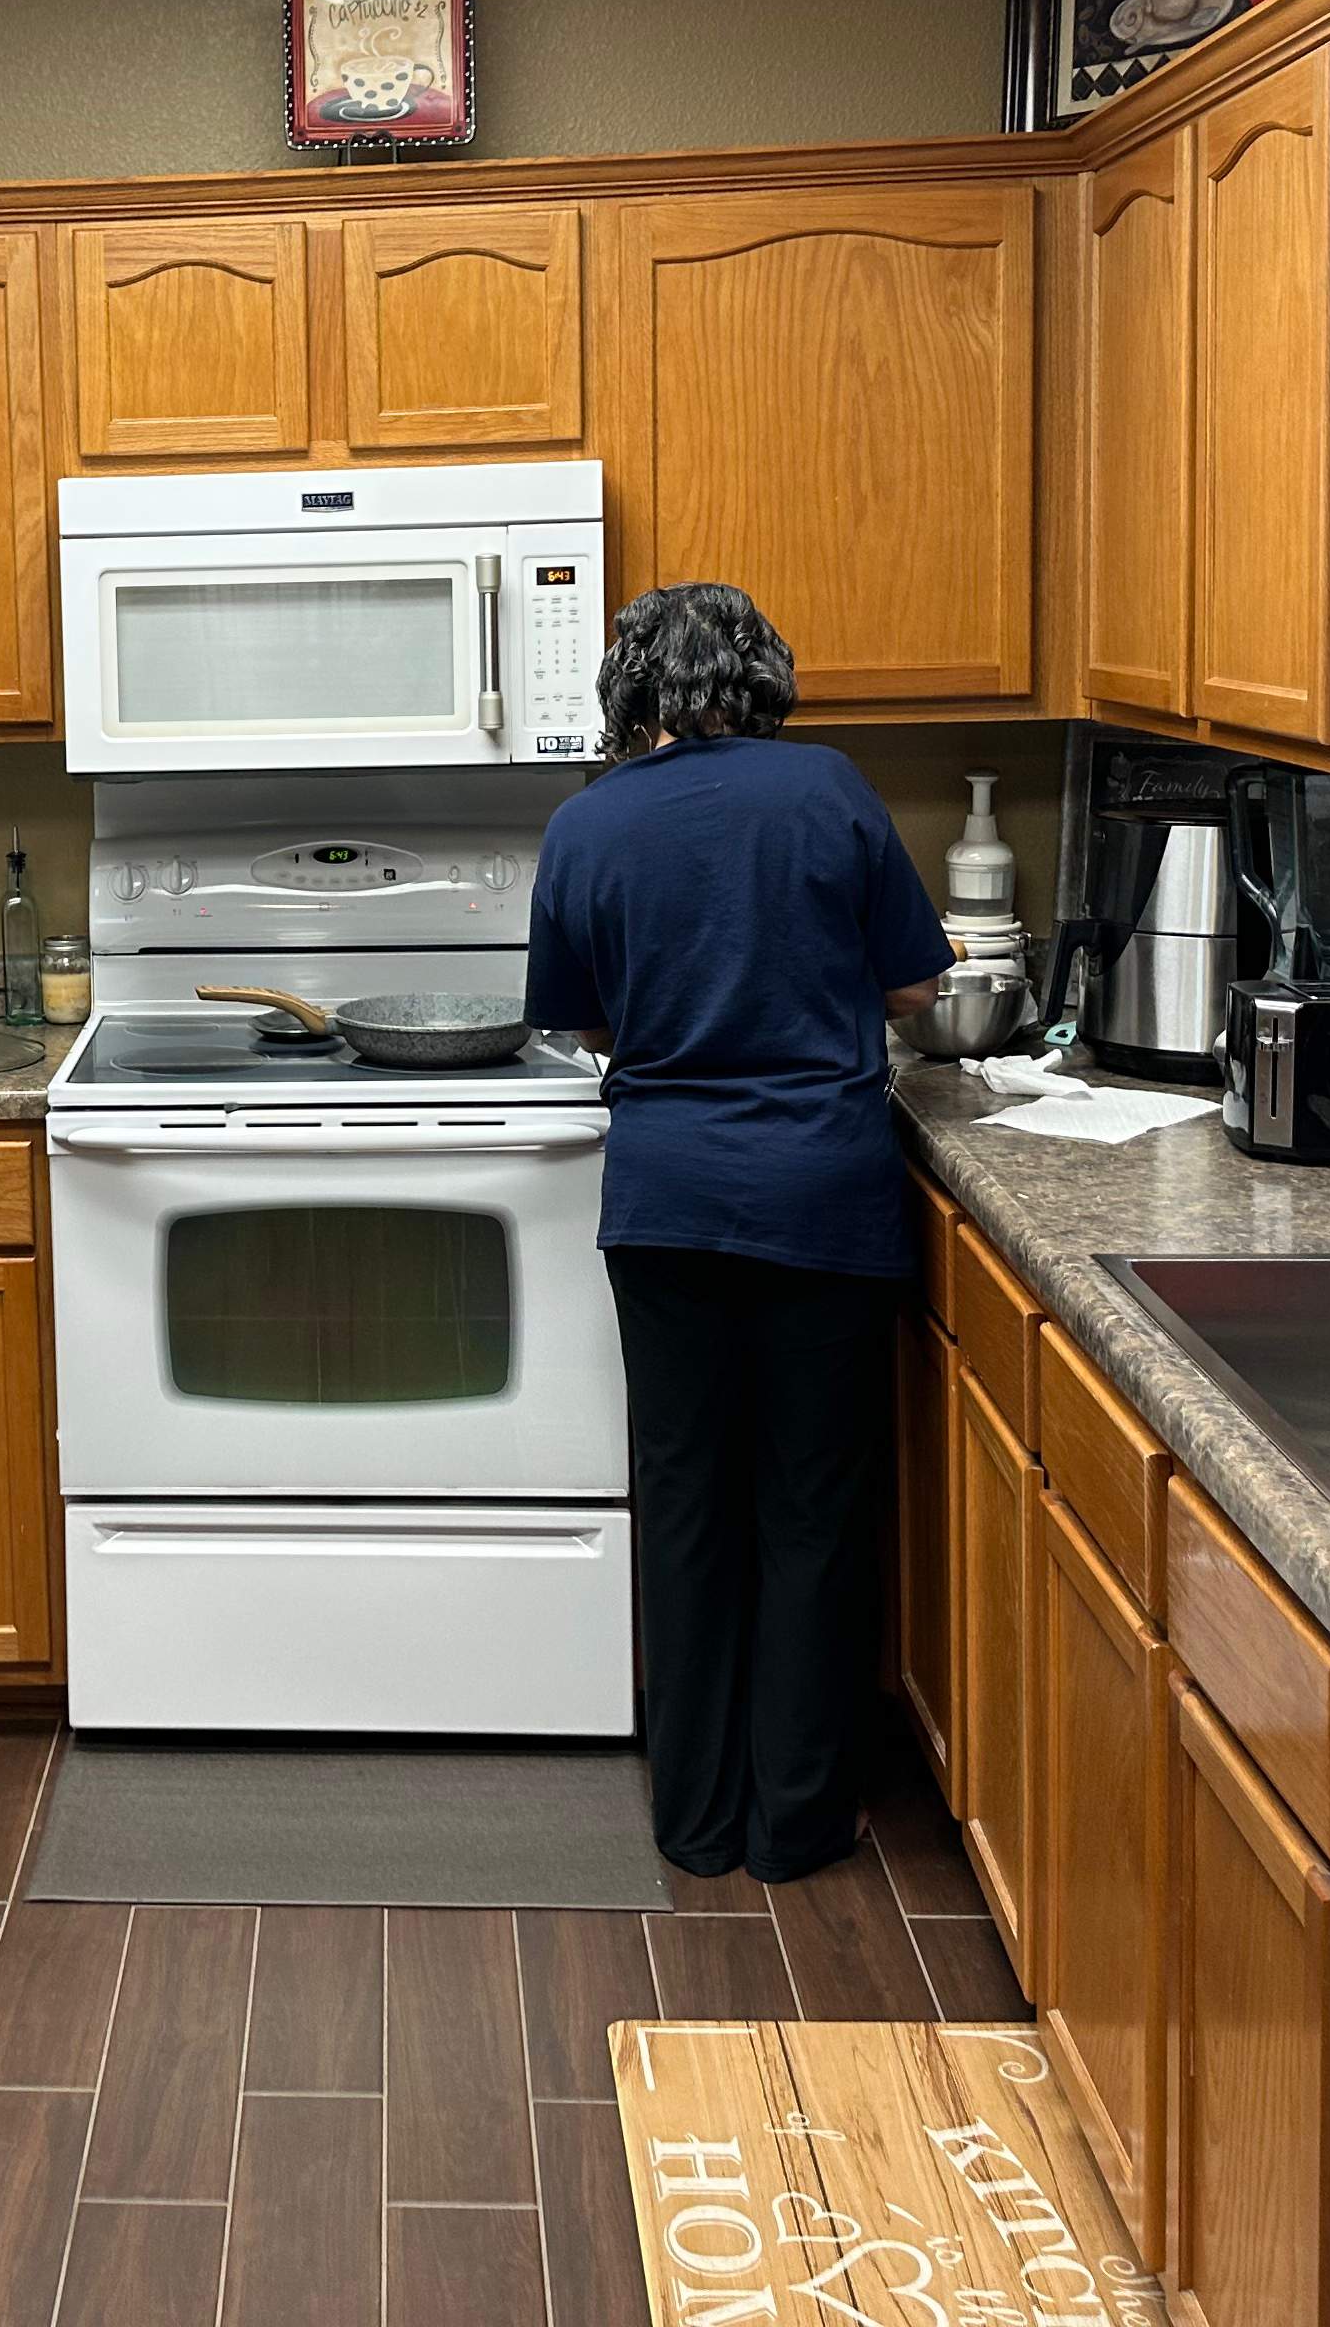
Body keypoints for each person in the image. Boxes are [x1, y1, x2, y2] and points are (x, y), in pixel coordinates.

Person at [521, 583, 949, 1883]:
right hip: (821, 1200)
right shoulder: (830, 792)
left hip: (666, 1205)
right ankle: (797, 1824)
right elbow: (917, 986)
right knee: (814, 1511)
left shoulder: (587, 826)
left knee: (690, 1503)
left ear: (629, 693)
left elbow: (582, 1023)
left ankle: (696, 1820)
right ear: (762, 677)